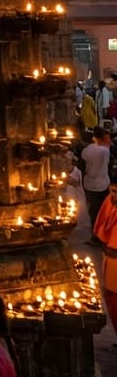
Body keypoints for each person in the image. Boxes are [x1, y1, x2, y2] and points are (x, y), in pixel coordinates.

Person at [82, 126, 111, 245]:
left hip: (90, 185)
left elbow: (83, 160)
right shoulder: (105, 150)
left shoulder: (87, 150)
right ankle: (104, 236)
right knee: (103, 211)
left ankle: (96, 236)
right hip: (103, 184)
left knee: (93, 212)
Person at [95, 179, 117, 331]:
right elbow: (101, 226)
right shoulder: (109, 201)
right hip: (109, 257)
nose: (113, 196)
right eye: (112, 191)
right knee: (110, 297)